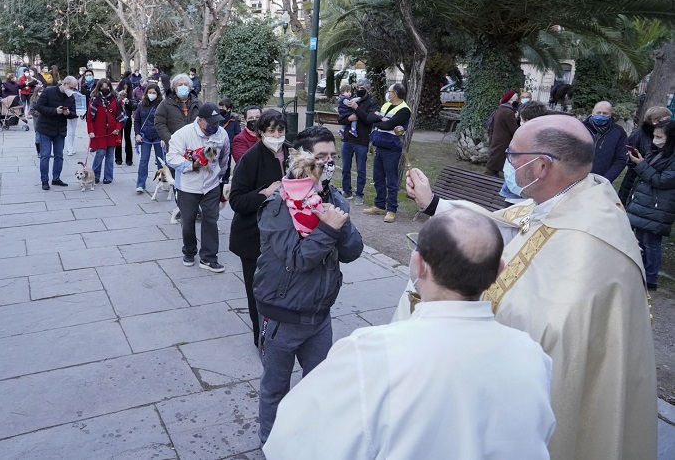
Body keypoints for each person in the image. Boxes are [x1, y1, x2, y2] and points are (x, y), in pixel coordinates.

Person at [403, 114, 657, 460]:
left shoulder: (588, 248)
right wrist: (433, 205)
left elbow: (550, 335)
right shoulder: (572, 198)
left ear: (540, 168)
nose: (507, 164)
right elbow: (505, 225)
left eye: (512, 156)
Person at [264, 209, 555, 460]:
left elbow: (292, 442)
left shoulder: (369, 354)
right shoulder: (533, 356)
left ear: (418, 266)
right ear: (499, 271)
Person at [254, 125, 364, 444]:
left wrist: (336, 221)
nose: (328, 164)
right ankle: (270, 445)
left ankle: (310, 441)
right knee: (275, 389)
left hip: (319, 316)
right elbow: (297, 259)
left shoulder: (333, 199)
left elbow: (353, 251)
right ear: (302, 160)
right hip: (281, 316)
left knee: (319, 386)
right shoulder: (278, 204)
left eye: (333, 157)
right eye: (321, 157)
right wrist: (328, 228)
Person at [229, 110, 289, 346]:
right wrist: (265, 192)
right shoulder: (251, 158)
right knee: (259, 294)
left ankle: (283, 334)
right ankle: (262, 339)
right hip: (254, 238)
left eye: (280, 130)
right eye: (271, 130)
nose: (277, 135)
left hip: (285, 236)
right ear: (261, 133)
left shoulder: (294, 153)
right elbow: (237, 201)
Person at [166, 102, 230, 272]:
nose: (215, 126)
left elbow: (225, 157)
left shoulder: (222, 134)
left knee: (211, 219)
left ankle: (208, 258)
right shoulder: (183, 134)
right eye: (212, 123)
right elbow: (171, 158)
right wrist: (190, 165)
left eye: (217, 122)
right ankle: (189, 251)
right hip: (188, 186)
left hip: (211, 184)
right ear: (200, 120)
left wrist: (221, 176)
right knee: (188, 221)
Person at [625, 119, 675, 291]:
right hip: (644, 203)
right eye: (654, 136)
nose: (655, 139)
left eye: (659, 136)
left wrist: (641, 165)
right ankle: (640, 272)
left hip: (658, 206)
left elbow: (661, 180)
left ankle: (651, 277)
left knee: (651, 242)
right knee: (640, 240)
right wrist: (639, 161)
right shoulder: (657, 151)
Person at [360, 82, 411, 223]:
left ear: (395, 93)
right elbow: (371, 118)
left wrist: (379, 120)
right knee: (378, 178)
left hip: (392, 149)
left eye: (389, 91)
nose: (388, 94)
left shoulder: (404, 110)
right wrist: (380, 120)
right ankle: (380, 205)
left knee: (391, 181)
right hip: (380, 146)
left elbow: (388, 125)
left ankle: (391, 209)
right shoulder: (386, 105)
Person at [619, 106, 672, 204]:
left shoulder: (669, 136)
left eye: (669, 120)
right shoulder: (638, 135)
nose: (667, 123)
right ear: (653, 120)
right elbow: (628, 161)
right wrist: (637, 161)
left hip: (655, 188)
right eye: (664, 120)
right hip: (634, 181)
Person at [338, 78, 378, 206]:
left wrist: (357, 108)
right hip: (347, 140)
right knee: (345, 168)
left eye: (362, 88)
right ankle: (346, 191)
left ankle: (359, 194)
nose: (359, 90)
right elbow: (341, 118)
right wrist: (349, 118)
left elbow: (369, 120)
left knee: (361, 169)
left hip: (361, 140)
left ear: (368, 89)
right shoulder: (350, 99)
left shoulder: (371, 103)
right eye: (358, 88)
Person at [34, 76, 78, 190]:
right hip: (45, 128)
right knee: (45, 155)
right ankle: (44, 180)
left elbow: (74, 113)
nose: (72, 90)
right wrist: (54, 111)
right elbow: (39, 106)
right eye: (71, 87)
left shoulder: (71, 97)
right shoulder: (49, 91)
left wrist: (68, 113)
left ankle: (56, 178)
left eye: (74, 88)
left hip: (60, 129)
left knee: (59, 156)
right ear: (64, 84)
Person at [87, 79, 126, 184]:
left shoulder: (116, 99)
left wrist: (117, 129)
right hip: (99, 132)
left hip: (112, 132)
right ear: (99, 87)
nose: (105, 88)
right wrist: (90, 131)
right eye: (103, 86)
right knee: (100, 153)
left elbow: (121, 117)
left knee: (110, 154)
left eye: (107, 86)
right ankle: (95, 175)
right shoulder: (94, 99)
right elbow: (90, 117)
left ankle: (108, 177)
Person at [154, 73, 202, 152]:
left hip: (195, 147)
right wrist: (170, 139)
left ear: (190, 88)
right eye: (180, 84)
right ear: (174, 88)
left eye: (185, 84)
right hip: (174, 147)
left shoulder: (198, 104)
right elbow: (159, 123)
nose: (183, 86)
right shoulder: (165, 104)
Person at [583, 100, 627, 182]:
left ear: (610, 114)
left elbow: (621, 159)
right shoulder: (580, 128)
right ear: (593, 112)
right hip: (576, 179)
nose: (601, 115)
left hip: (601, 180)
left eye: (605, 113)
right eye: (598, 112)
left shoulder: (618, 132)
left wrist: (606, 179)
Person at [134, 84, 166, 193]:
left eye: (154, 93)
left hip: (158, 137)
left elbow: (166, 121)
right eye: (150, 92)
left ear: (157, 94)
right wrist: (137, 134)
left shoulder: (162, 105)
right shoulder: (141, 105)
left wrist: (164, 136)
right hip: (145, 136)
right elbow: (137, 120)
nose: (151, 95)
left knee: (161, 161)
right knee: (143, 160)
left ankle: (163, 181)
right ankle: (140, 184)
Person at [484, 90, 519, 176]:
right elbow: (515, 130)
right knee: (493, 165)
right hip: (503, 142)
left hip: (498, 140)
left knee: (494, 162)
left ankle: (488, 178)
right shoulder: (508, 112)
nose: (517, 101)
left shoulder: (501, 109)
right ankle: (486, 180)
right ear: (510, 100)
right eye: (516, 99)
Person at [218, 98, 241, 184]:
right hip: (218, 145)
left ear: (228, 109)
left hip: (229, 147)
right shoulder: (217, 119)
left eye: (223, 107)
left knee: (226, 163)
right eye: (220, 107)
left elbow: (237, 133)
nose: (220, 109)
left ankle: (225, 179)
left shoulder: (234, 121)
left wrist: (232, 144)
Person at [115, 83, 134, 167]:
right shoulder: (116, 96)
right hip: (118, 118)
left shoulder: (130, 96)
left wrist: (128, 102)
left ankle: (129, 159)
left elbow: (134, 107)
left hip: (127, 118)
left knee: (127, 138)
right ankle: (118, 158)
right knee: (118, 138)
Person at [65, 87, 87, 156]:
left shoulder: (70, 93)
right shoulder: (74, 94)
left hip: (73, 113)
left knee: (72, 131)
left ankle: (70, 148)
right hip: (72, 113)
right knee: (70, 131)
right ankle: (70, 148)